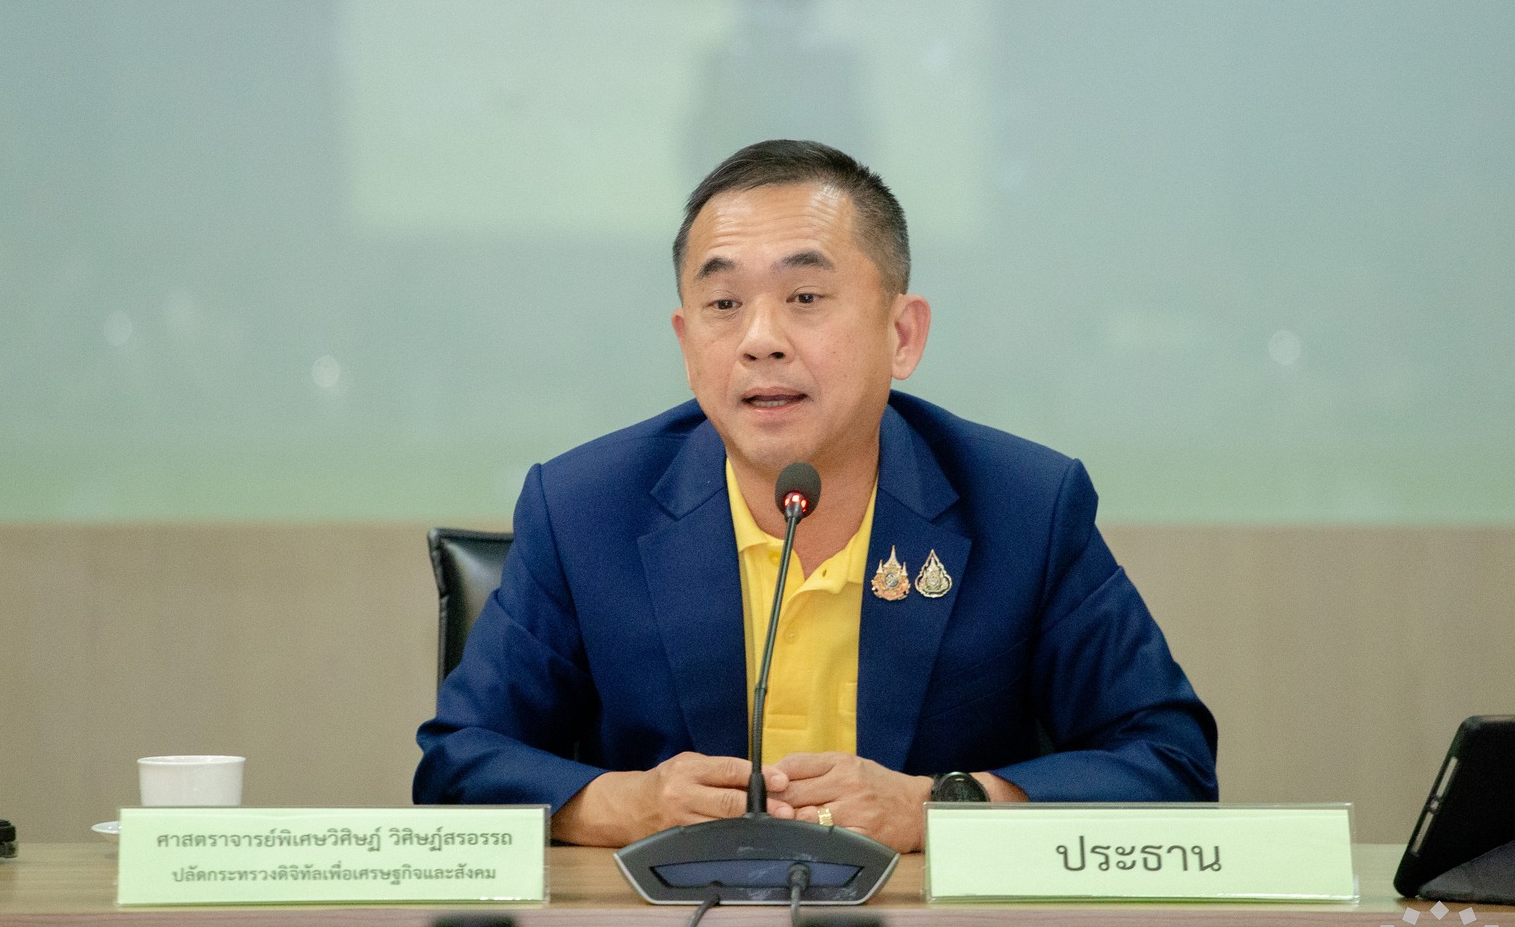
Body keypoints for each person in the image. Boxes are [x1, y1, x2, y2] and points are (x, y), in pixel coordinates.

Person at [414, 140, 1216, 853]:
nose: (760, 339)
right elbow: (458, 762)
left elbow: (1170, 762)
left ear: (902, 335)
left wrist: (944, 808)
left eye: (804, 297)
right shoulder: (585, 509)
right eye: (723, 305)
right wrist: (628, 804)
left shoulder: (1025, 508)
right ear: (688, 346)